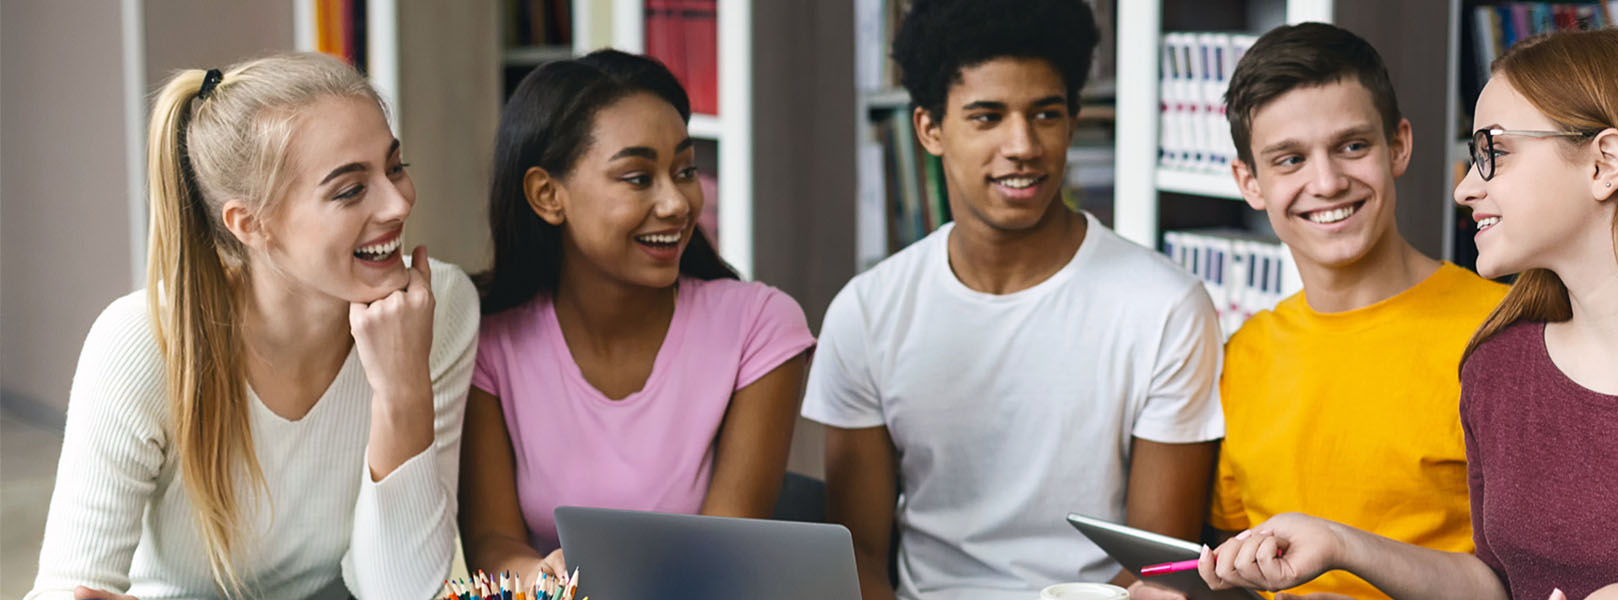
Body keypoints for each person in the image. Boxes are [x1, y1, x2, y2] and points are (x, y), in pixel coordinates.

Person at [1199, 28, 1618, 600]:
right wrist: (1341, 543)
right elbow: (1499, 582)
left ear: (1605, 162)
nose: (1465, 187)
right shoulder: (1502, 361)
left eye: (1493, 151)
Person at [800, 1, 1225, 598]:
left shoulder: (1166, 307)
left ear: (1074, 120)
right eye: (987, 117)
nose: (1022, 145)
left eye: (1045, 114)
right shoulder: (867, 313)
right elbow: (860, 559)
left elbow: (1157, 566)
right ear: (930, 129)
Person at [29, 53, 478, 600]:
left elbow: (401, 590)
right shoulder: (141, 341)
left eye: (396, 167)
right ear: (251, 223)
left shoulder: (438, 306)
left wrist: (403, 390)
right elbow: (68, 589)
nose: (399, 201)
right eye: (349, 190)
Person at [1136, 22, 1509, 600]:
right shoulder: (1244, 353)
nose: (1327, 182)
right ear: (1249, 182)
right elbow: (1239, 565)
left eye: (1352, 146)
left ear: (1399, 146)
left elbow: (1531, 582)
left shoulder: (1501, 333)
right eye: (1289, 160)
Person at [457, 50, 814, 579]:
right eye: (638, 177)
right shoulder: (488, 341)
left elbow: (726, 547)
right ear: (547, 195)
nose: (676, 203)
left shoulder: (760, 328)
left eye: (685, 170)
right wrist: (537, 576)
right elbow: (493, 539)